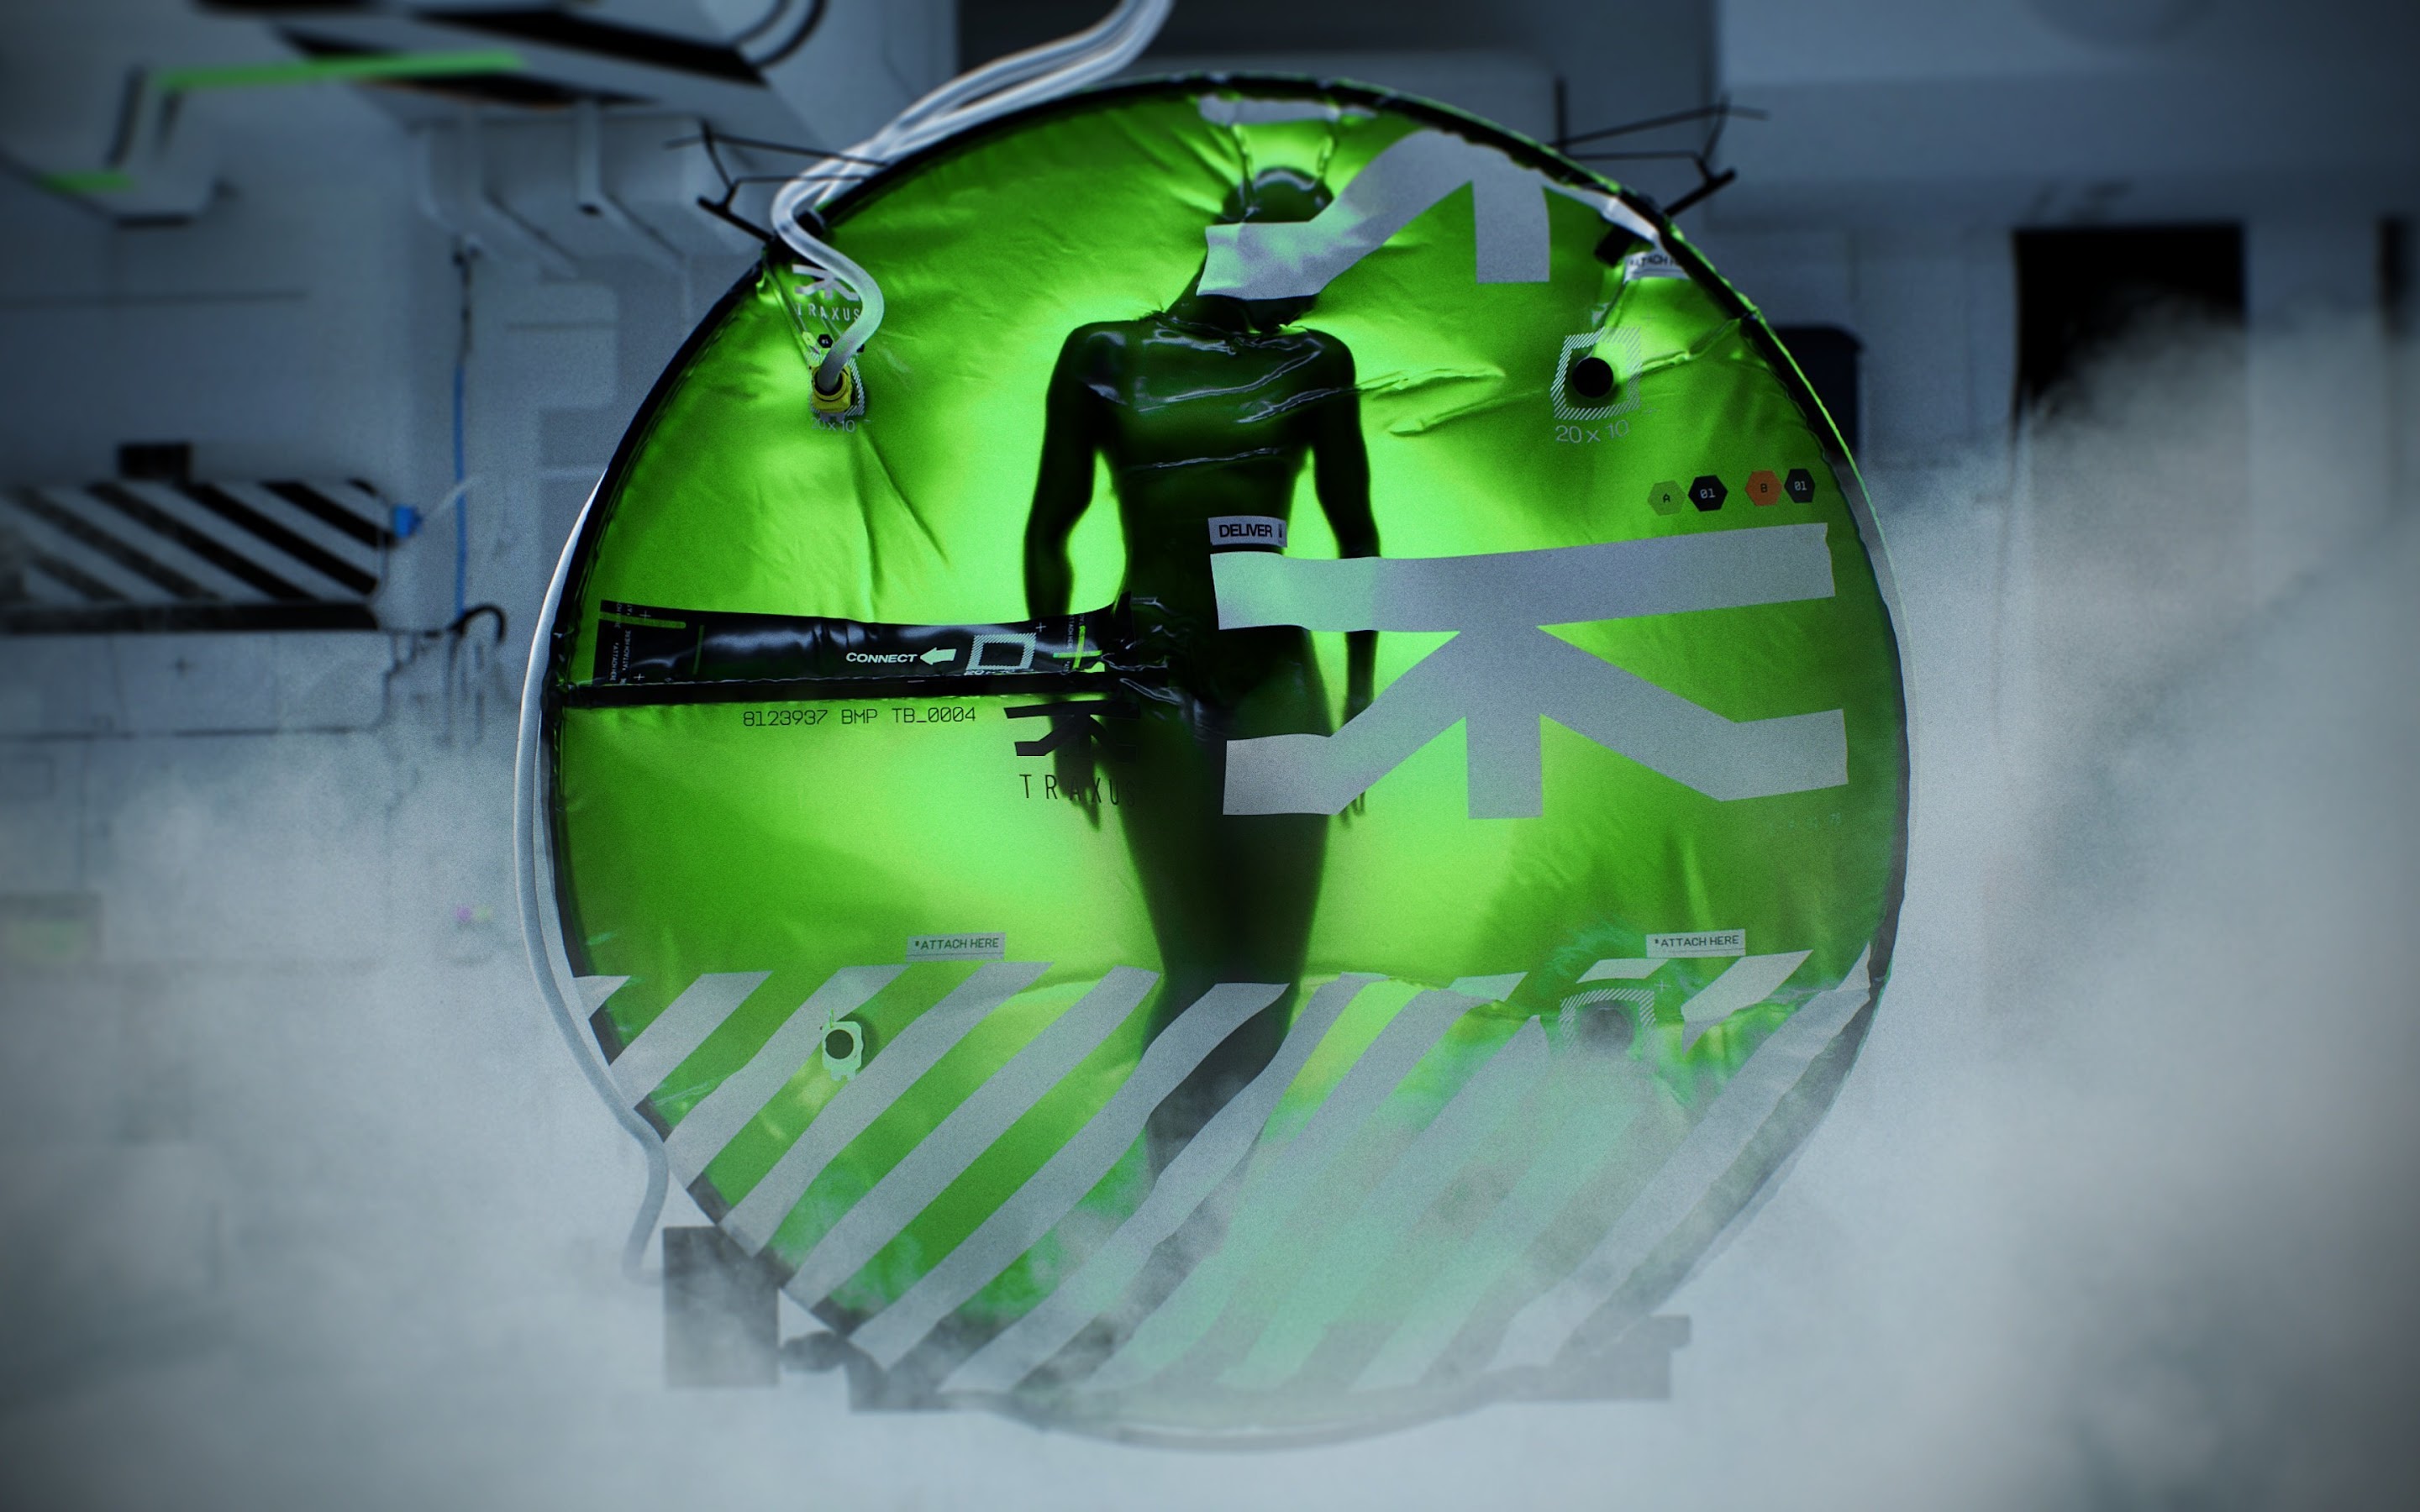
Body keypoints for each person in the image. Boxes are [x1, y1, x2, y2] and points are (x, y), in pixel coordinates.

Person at [1023, 168, 1379, 1164]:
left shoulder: (1316, 361)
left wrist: (1363, 703)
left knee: (1267, 976)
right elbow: (1050, 533)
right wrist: (1059, 701)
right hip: (1152, 670)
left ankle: (1216, 1200)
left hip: (1273, 677)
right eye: (1308, 253)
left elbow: (1357, 537)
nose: (1317, 283)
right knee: (1198, 967)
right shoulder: (1105, 354)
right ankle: (1169, 1211)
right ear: (1244, 235)